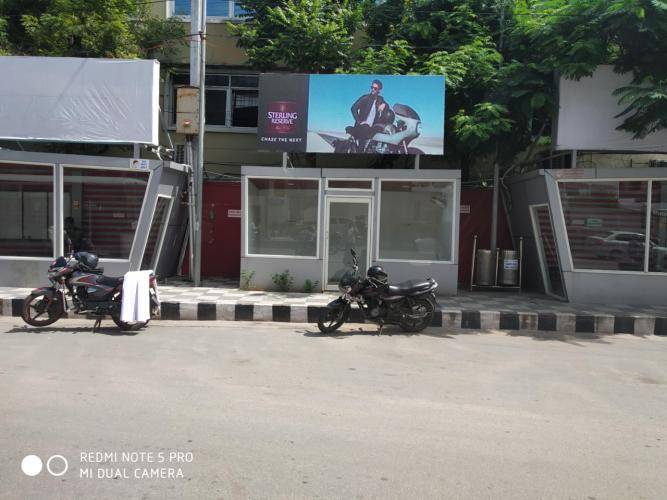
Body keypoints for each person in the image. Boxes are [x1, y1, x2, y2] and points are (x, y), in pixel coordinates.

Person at [345, 79, 395, 149]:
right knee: (361, 147)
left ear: (379, 90)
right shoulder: (365, 98)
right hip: (362, 126)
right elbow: (353, 108)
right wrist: (359, 121)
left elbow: (387, 106)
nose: (373, 89)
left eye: (375, 88)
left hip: (372, 127)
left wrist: (384, 104)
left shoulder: (380, 99)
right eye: (372, 87)